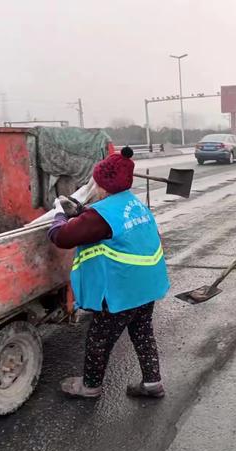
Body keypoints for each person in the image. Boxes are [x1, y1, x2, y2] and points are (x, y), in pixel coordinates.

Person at [48, 147, 169, 398]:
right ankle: (152, 383)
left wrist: (59, 215)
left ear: (103, 183)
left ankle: (90, 386)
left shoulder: (101, 215)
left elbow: (62, 237)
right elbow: (109, 225)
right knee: (142, 331)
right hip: (147, 284)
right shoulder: (134, 203)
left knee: (99, 340)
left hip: (121, 290)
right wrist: (82, 213)